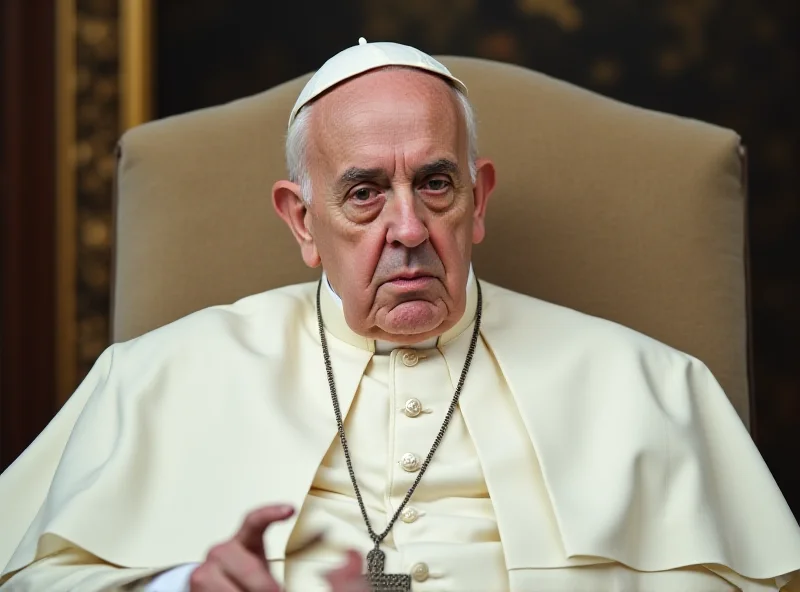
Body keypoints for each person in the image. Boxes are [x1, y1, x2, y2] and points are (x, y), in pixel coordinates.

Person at [1, 39, 799, 592]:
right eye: (363, 193)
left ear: (478, 201)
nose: (409, 230)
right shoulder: (156, 377)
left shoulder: (650, 385)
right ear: (301, 220)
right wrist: (182, 584)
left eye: (437, 183)